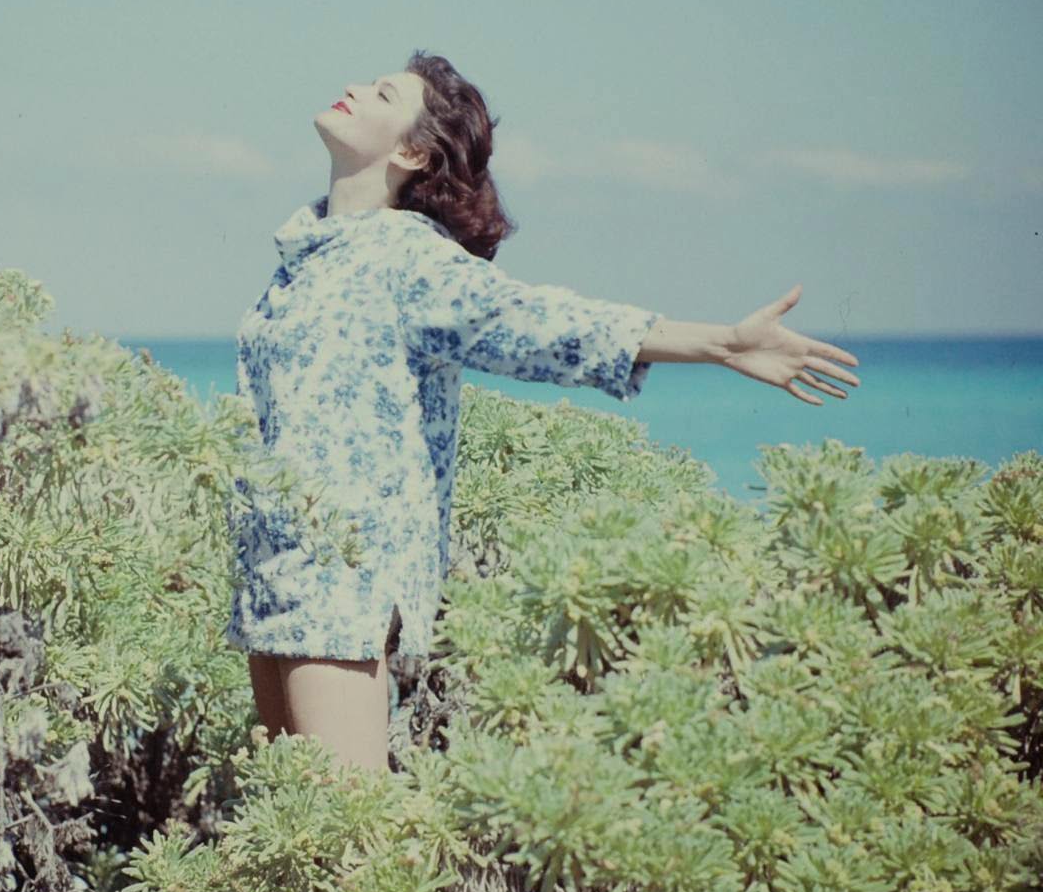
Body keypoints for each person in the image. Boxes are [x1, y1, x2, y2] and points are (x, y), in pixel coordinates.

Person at [225, 50, 860, 775]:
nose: (351, 89)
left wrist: (719, 342)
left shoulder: (404, 257)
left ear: (411, 149)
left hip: (343, 582)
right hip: (271, 574)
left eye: (381, 93)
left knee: (343, 838)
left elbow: (537, 321)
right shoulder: (306, 256)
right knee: (290, 839)